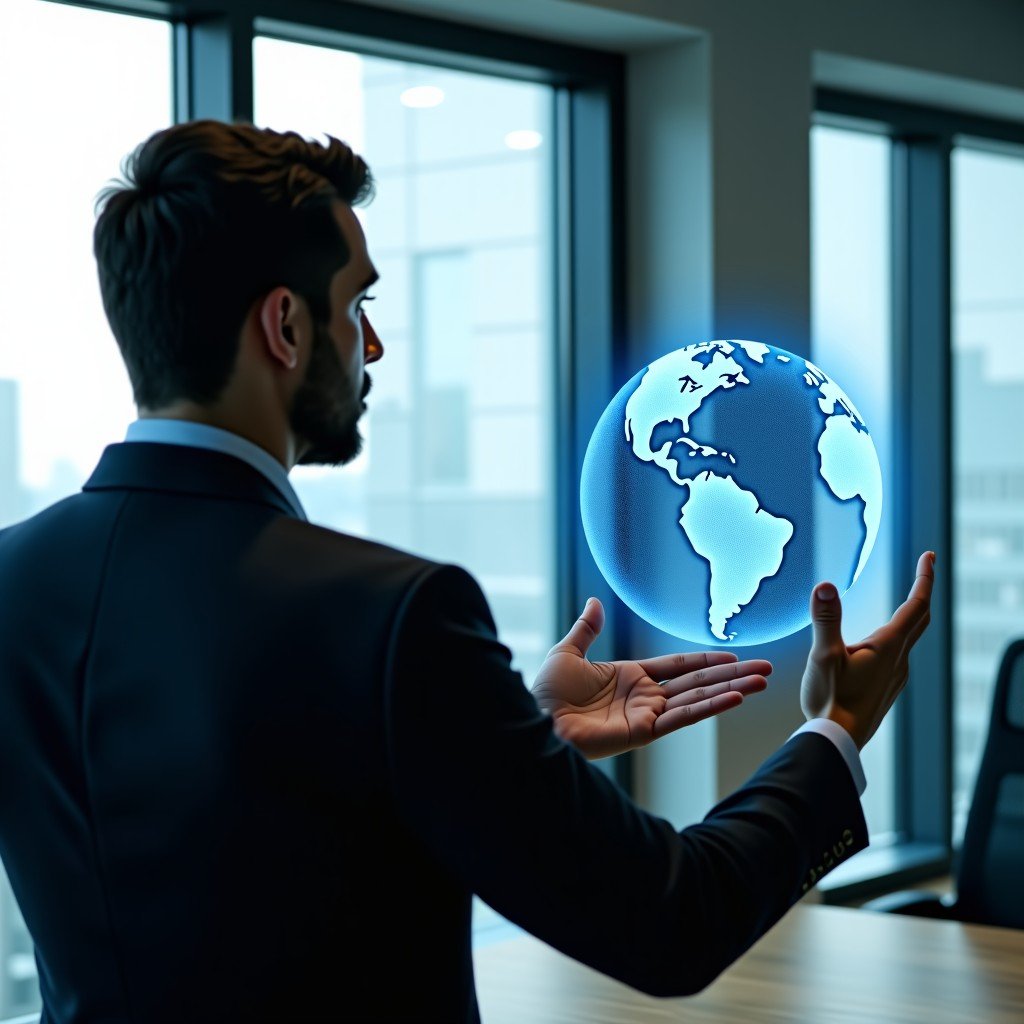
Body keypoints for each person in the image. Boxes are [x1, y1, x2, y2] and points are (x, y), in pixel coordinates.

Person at [0, 120, 934, 1023]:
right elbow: (672, 922)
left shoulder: (15, 579)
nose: (372, 347)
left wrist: (513, 738)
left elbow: (235, 845)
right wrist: (837, 729)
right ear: (284, 325)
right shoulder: (394, 616)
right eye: (356, 306)